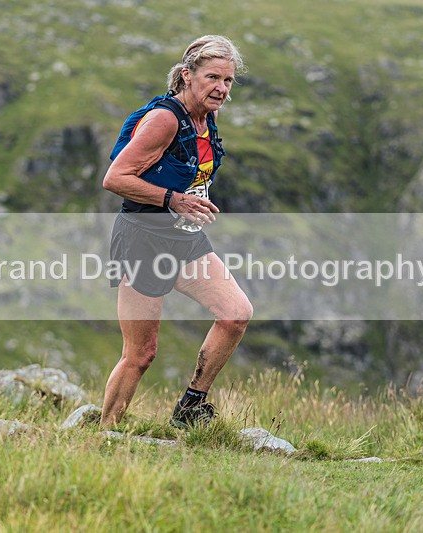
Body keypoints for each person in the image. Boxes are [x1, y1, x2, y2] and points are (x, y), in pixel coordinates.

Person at [100, 35, 253, 429]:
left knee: (236, 314)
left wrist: (187, 203)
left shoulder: (207, 119)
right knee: (140, 354)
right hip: (143, 238)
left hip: (184, 238)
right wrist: (174, 199)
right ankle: (105, 434)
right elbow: (115, 178)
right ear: (187, 75)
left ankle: (191, 405)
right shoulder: (165, 120)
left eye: (229, 80)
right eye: (213, 77)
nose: (221, 88)